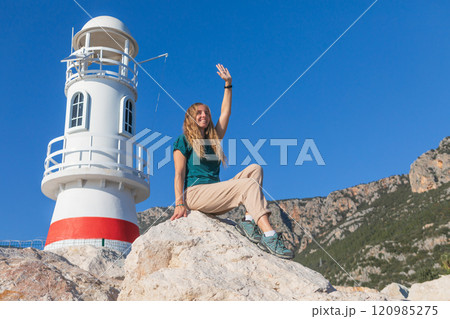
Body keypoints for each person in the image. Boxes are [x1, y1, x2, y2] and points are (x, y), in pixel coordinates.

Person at [171, 64, 293, 259]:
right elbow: (179, 174)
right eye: (199, 113)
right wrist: (179, 203)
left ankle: (248, 221)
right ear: (191, 118)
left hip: (214, 193)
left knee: (255, 169)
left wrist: (228, 84)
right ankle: (269, 235)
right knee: (246, 185)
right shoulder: (184, 141)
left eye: (206, 113)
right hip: (194, 194)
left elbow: (225, 113)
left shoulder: (213, 139)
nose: (204, 115)